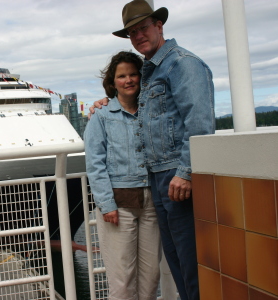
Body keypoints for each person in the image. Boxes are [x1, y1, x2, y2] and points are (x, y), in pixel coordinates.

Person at [89, 1, 215, 299]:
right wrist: (102, 103)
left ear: (159, 25)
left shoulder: (182, 63)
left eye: (143, 27)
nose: (138, 35)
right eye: (132, 32)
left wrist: (186, 172)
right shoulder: (151, 72)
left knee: (189, 260)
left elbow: (199, 123)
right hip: (157, 181)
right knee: (175, 260)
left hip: (174, 176)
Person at [85, 51, 161, 300]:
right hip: (119, 204)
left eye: (133, 74)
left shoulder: (150, 112)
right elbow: (95, 164)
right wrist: (106, 205)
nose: (128, 80)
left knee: (151, 276)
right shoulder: (102, 116)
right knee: (122, 279)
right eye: (122, 76)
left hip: (151, 201)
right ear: (112, 81)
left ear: (141, 77)